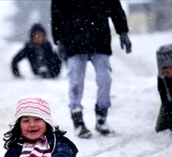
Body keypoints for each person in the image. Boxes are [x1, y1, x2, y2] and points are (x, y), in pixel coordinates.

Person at [51, 0, 132, 138]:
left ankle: (101, 117)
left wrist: (123, 31)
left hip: (99, 39)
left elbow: (115, 8)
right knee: (76, 81)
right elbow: (57, 14)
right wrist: (59, 40)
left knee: (105, 78)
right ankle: (77, 120)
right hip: (73, 41)